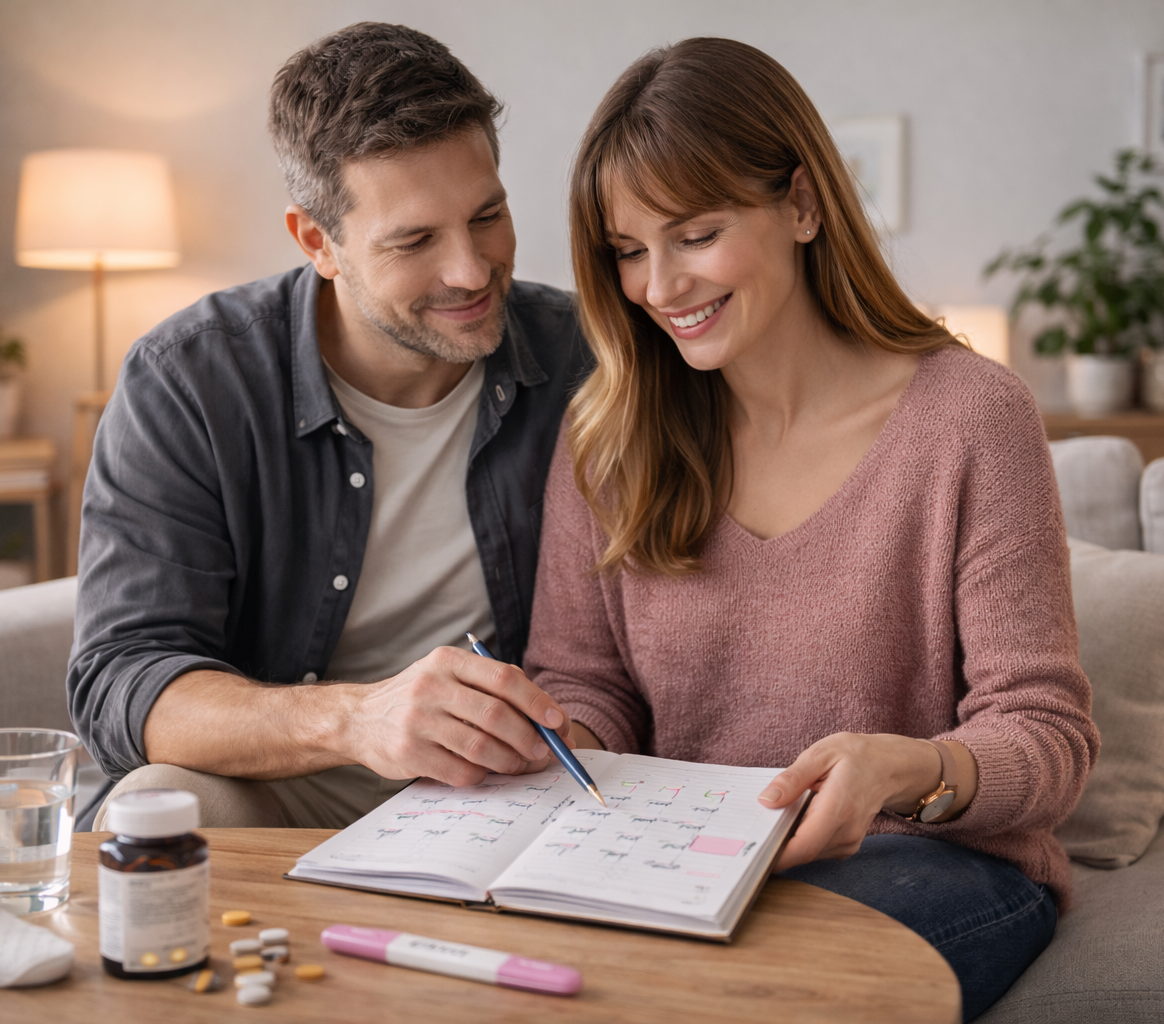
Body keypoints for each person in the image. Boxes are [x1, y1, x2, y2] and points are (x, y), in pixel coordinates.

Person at [523, 38, 1098, 1021]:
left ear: (801, 203)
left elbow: (1046, 738)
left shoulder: (972, 418)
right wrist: (544, 732)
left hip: (933, 863)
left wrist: (905, 773)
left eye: (695, 234)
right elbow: (587, 685)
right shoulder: (610, 439)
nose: (658, 288)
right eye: (627, 251)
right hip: (689, 863)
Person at [68, 22, 590, 832]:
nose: (471, 269)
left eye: (487, 216)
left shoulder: (581, 360)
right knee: (157, 809)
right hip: (283, 789)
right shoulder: (190, 382)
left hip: (502, 797)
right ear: (319, 241)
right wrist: (357, 722)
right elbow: (121, 680)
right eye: (415, 240)